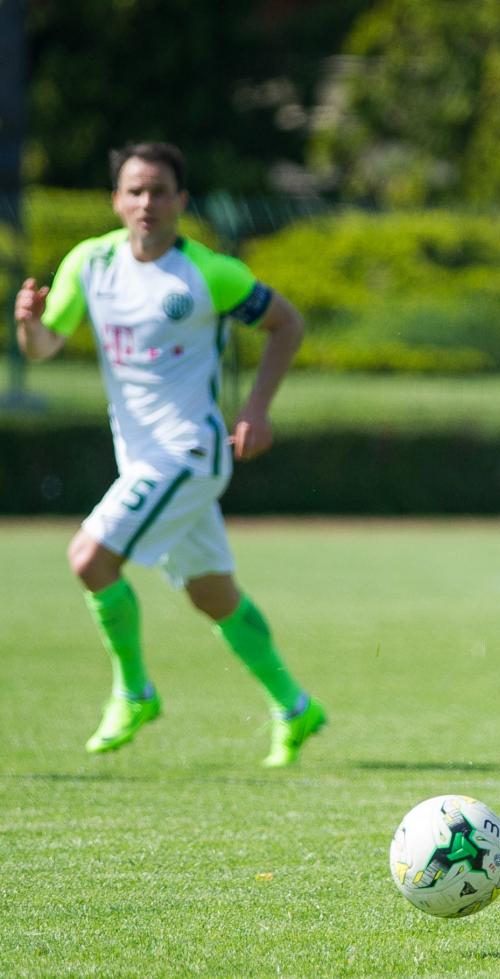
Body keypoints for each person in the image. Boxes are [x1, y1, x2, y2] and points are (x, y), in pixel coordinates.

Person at [11, 141, 326, 766]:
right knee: (213, 595)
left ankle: (134, 691)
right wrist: (28, 323)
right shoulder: (91, 264)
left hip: (188, 452)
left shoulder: (208, 272)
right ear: (116, 200)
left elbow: (286, 323)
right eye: (135, 190)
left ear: (182, 201)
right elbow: (44, 347)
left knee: (88, 558)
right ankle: (295, 706)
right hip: (142, 460)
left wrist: (256, 408)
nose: (146, 202)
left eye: (159, 191)